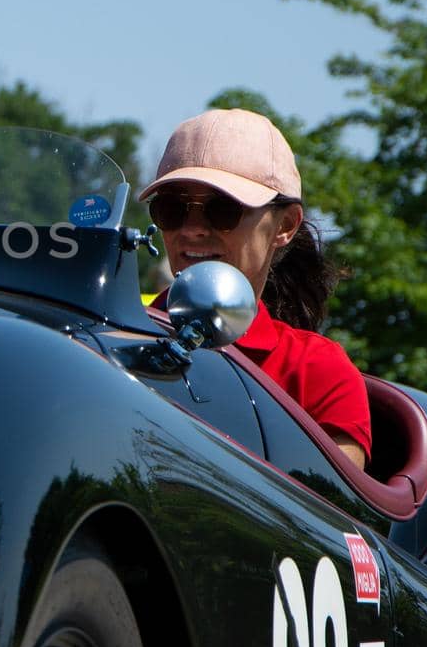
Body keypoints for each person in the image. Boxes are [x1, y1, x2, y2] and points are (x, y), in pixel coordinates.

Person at [138, 108, 371, 469]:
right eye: (173, 209)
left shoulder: (318, 372)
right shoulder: (120, 332)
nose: (193, 229)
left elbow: (325, 512)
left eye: (223, 209)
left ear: (285, 225)